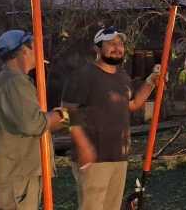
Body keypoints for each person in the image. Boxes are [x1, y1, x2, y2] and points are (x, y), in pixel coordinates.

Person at [0, 30, 96, 210]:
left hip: (17, 175)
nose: (41, 50)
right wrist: (64, 115)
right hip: (17, 179)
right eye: (35, 45)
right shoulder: (15, 82)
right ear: (24, 50)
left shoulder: (9, 80)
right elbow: (34, 124)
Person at [61, 26, 162, 210]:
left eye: (121, 44)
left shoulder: (122, 76)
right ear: (97, 48)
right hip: (94, 158)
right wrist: (84, 147)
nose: (118, 48)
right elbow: (67, 110)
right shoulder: (84, 75)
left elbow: (131, 104)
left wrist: (150, 83)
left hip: (118, 156)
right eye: (111, 44)